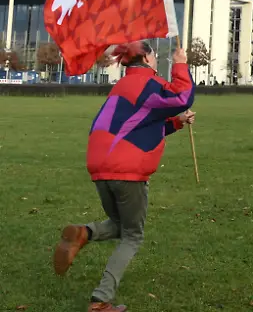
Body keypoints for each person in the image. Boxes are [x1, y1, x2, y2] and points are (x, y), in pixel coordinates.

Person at [52, 42, 196, 312]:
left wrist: (177, 122)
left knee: (120, 225)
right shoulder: (148, 85)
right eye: (154, 55)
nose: (156, 60)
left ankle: (84, 233)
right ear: (145, 57)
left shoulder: (122, 88)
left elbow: (139, 127)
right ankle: (100, 300)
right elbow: (182, 97)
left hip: (100, 167)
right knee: (133, 236)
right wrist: (180, 62)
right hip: (126, 170)